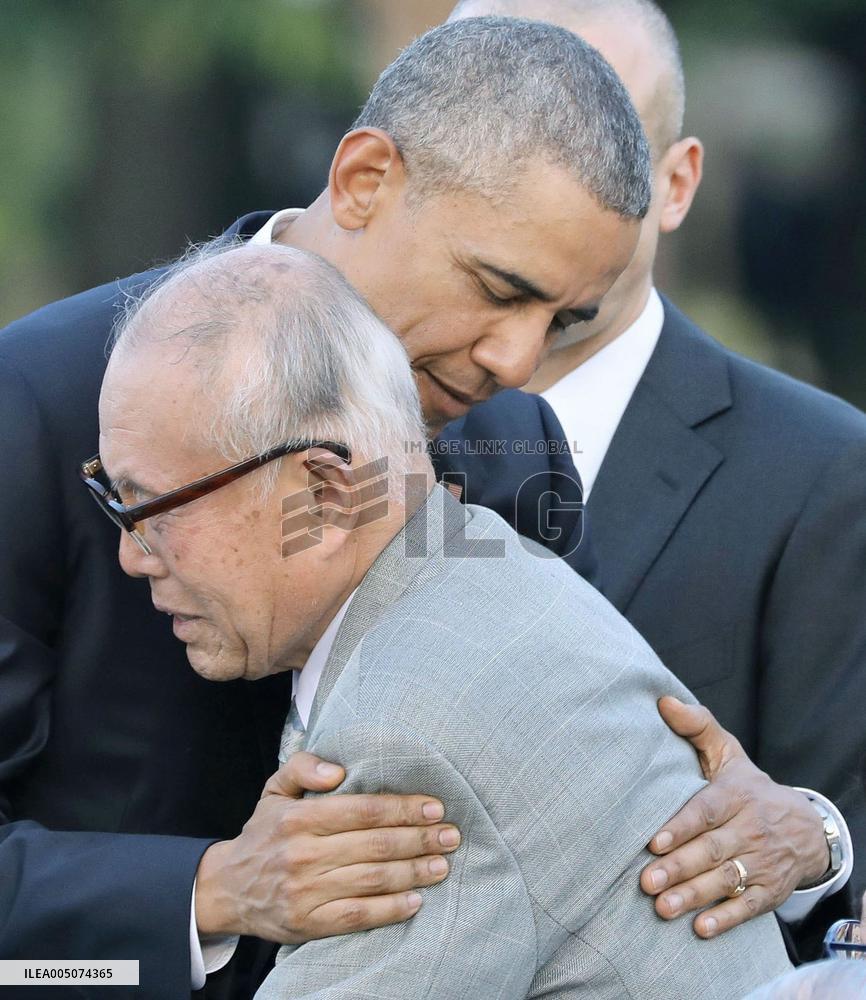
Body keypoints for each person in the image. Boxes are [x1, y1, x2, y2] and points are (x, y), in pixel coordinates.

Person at [0, 18, 649, 999]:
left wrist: (795, 825)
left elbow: (597, 777)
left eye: (558, 320)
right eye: (495, 288)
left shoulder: (513, 452)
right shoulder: (34, 400)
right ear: (363, 179)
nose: (516, 361)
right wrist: (207, 891)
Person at [96, 236, 792, 999]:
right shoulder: (477, 571)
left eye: (152, 507)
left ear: (324, 494)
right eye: (115, 498)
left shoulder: (412, 728)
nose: (133, 555)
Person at [444, 0, 866, 960]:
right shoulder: (340, 420)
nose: (537, 186)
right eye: (492, 144)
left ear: (674, 183)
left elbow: (848, 811)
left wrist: (819, 840)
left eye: (598, 144)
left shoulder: (823, 473)